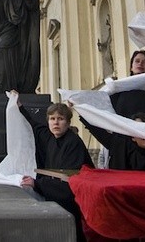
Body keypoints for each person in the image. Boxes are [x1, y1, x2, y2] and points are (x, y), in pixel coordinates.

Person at [16, 98, 93, 242]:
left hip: (71, 205)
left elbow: (71, 180)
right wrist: (19, 105)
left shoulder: (73, 143)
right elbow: (33, 124)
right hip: (56, 201)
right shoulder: (49, 137)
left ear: (68, 123)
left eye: (60, 119)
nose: (55, 123)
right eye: (52, 119)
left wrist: (37, 184)